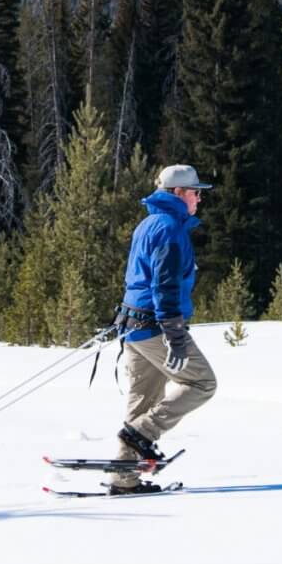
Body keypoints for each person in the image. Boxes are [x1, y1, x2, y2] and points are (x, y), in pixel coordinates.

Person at [108, 164, 216, 492]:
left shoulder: (149, 223)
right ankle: (141, 434)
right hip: (155, 326)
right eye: (196, 191)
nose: (199, 198)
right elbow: (164, 285)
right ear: (178, 193)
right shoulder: (169, 229)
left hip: (133, 327)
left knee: (142, 400)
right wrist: (176, 335)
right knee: (202, 383)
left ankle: (124, 477)